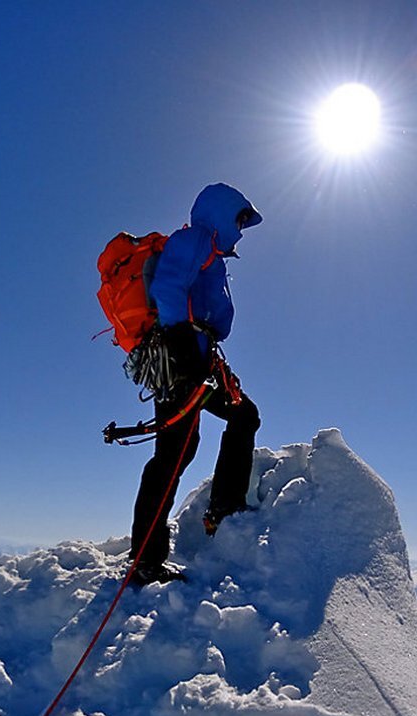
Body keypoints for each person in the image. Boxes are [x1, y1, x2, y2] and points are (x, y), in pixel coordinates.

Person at [129, 183, 263, 585]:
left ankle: (223, 506)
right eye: (239, 219)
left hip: (199, 357)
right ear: (221, 214)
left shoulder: (213, 256)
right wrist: (180, 341)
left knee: (243, 416)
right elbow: (167, 287)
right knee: (174, 454)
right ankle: (145, 560)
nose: (242, 229)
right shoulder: (194, 241)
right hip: (179, 360)